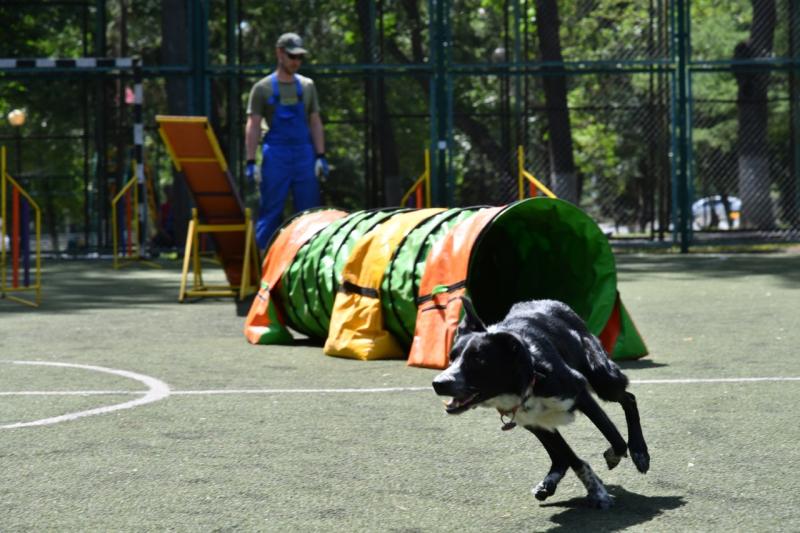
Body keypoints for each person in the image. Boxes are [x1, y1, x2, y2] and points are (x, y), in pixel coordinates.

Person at [245, 32, 329, 249]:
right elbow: (253, 125)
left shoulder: (307, 86)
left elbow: (315, 121)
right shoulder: (262, 89)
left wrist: (320, 156)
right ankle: (262, 267)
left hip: (304, 156)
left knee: (310, 214)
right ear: (279, 53)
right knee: (270, 211)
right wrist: (251, 161)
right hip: (276, 156)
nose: (296, 62)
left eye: (300, 57)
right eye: (292, 56)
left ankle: (308, 263)